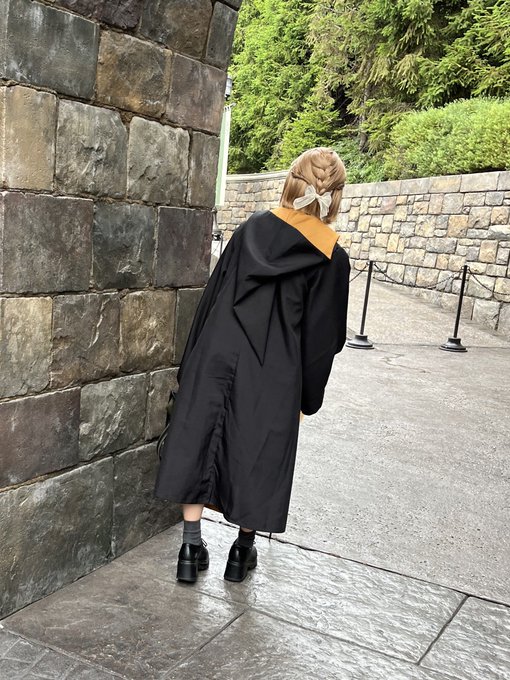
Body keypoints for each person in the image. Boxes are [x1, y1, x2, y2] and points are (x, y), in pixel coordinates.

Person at [154, 147, 351, 583]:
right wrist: (307, 397)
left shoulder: (250, 230)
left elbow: (211, 297)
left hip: (216, 353)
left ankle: (190, 547)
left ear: (292, 182)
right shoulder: (331, 258)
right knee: (259, 455)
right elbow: (323, 340)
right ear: (334, 195)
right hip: (275, 369)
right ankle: (242, 552)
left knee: (200, 440)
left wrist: (190, 364)